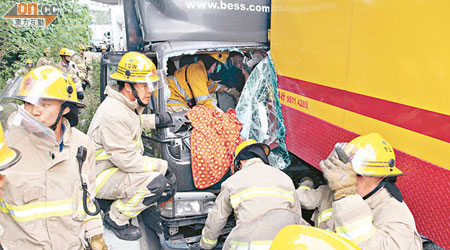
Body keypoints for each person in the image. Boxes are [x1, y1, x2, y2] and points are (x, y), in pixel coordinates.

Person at [0, 66, 106, 249]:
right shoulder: (7, 147)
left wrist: (95, 234)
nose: (33, 111)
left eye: (45, 104)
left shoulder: (82, 145)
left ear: (65, 108)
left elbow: (87, 198)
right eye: (28, 103)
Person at [87, 52, 174, 241]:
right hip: (101, 176)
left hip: (111, 168)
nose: (150, 90)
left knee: (154, 178)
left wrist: (156, 121)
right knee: (155, 182)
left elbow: (132, 122)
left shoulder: (123, 106)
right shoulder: (114, 113)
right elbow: (126, 160)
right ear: (128, 86)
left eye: (151, 84)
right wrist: (164, 167)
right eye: (144, 85)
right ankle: (116, 218)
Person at [296, 133, 422, 250]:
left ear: (380, 177)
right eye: (345, 171)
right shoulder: (333, 191)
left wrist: (346, 195)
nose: (346, 178)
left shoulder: (394, 214)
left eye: (356, 174)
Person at [200, 139, 300, 250]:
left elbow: (217, 218)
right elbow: (296, 216)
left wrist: (206, 244)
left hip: (248, 246)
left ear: (240, 162)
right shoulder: (285, 178)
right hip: (282, 244)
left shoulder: (232, 182)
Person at [166, 52, 240, 112]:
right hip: (171, 100)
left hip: (176, 99)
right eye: (217, 65)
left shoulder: (201, 71)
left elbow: (210, 85)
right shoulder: (197, 71)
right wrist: (220, 114)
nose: (217, 69)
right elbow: (204, 103)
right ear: (211, 62)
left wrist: (228, 90)